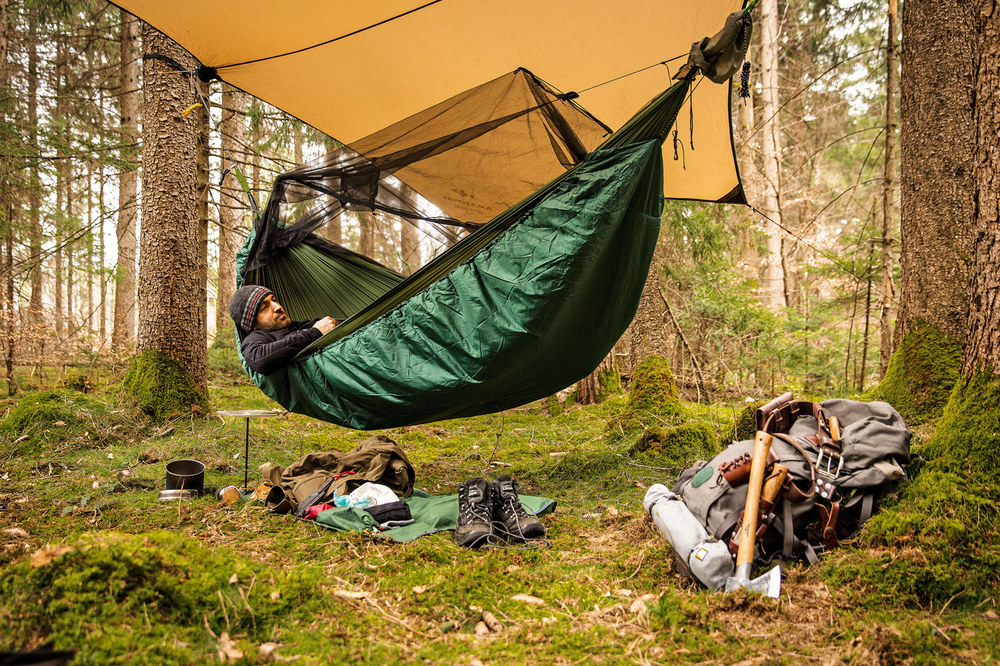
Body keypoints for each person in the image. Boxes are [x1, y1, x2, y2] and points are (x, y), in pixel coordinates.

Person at [228, 284, 336, 375]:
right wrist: (315, 333)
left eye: (274, 300)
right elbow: (258, 360)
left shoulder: (295, 326)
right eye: (265, 307)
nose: (277, 307)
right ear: (253, 324)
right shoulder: (256, 338)